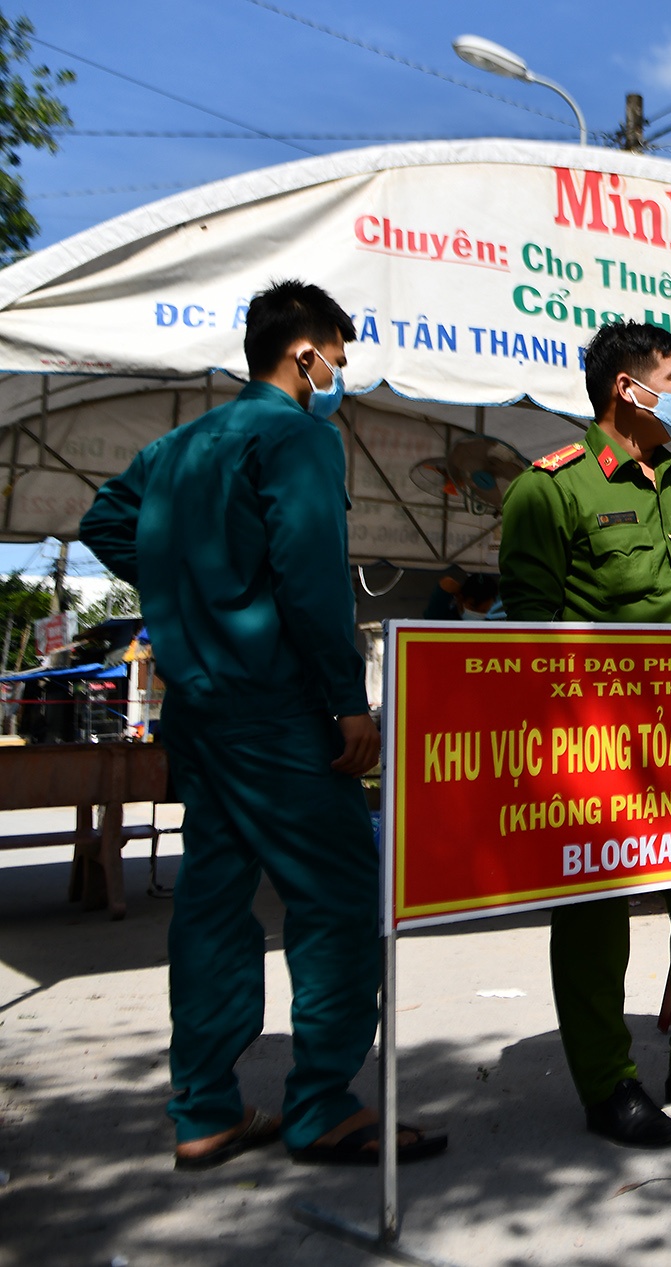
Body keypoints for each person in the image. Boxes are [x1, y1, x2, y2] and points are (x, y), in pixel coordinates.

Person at [79, 280, 447, 1169]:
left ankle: (203, 1110)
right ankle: (321, 1103)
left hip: (196, 712)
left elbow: (106, 522)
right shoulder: (298, 437)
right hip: (278, 708)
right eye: (337, 357)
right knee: (338, 898)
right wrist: (346, 704)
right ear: (303, 351)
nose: (338, 375)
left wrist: (192, 581)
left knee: (211, 904)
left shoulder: (177, 446)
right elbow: (313, 577)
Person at [498, 320, 671, 1151]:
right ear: (629, 388)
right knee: (595, 910)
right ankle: (606, 1082)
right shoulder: (550, 490)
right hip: (602, 742)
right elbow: (529, 637)